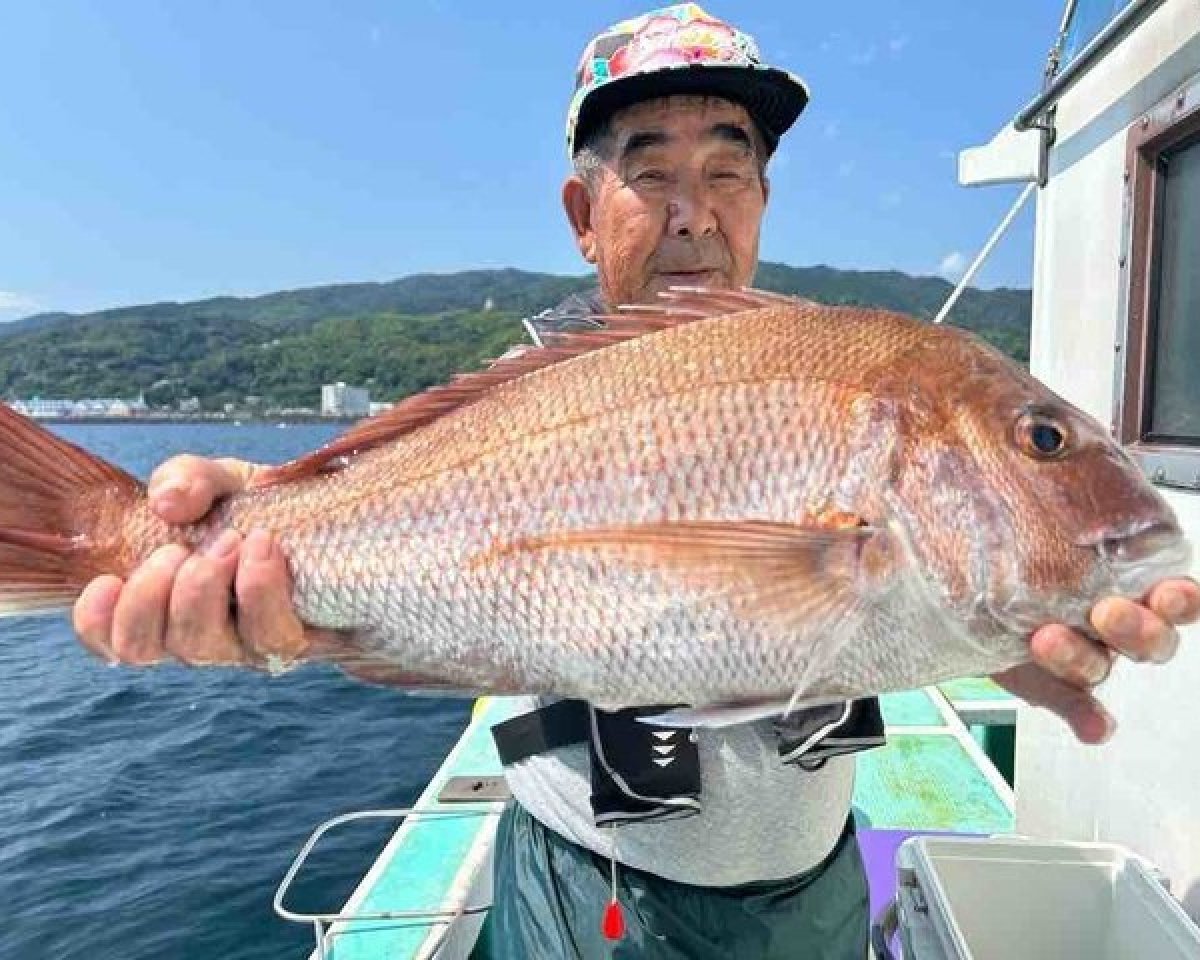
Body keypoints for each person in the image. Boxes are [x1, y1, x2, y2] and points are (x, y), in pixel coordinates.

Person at [71, 6, 1199, 958]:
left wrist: (1002, 627)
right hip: (583, 890)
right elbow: (367, 497)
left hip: (813, 886)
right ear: (582, 214)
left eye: (727, 171)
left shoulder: (840, 360)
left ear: (762, 198)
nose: (693, 210)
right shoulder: (520, 389)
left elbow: (861, 610)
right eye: (650, 172)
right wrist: (248, 522)